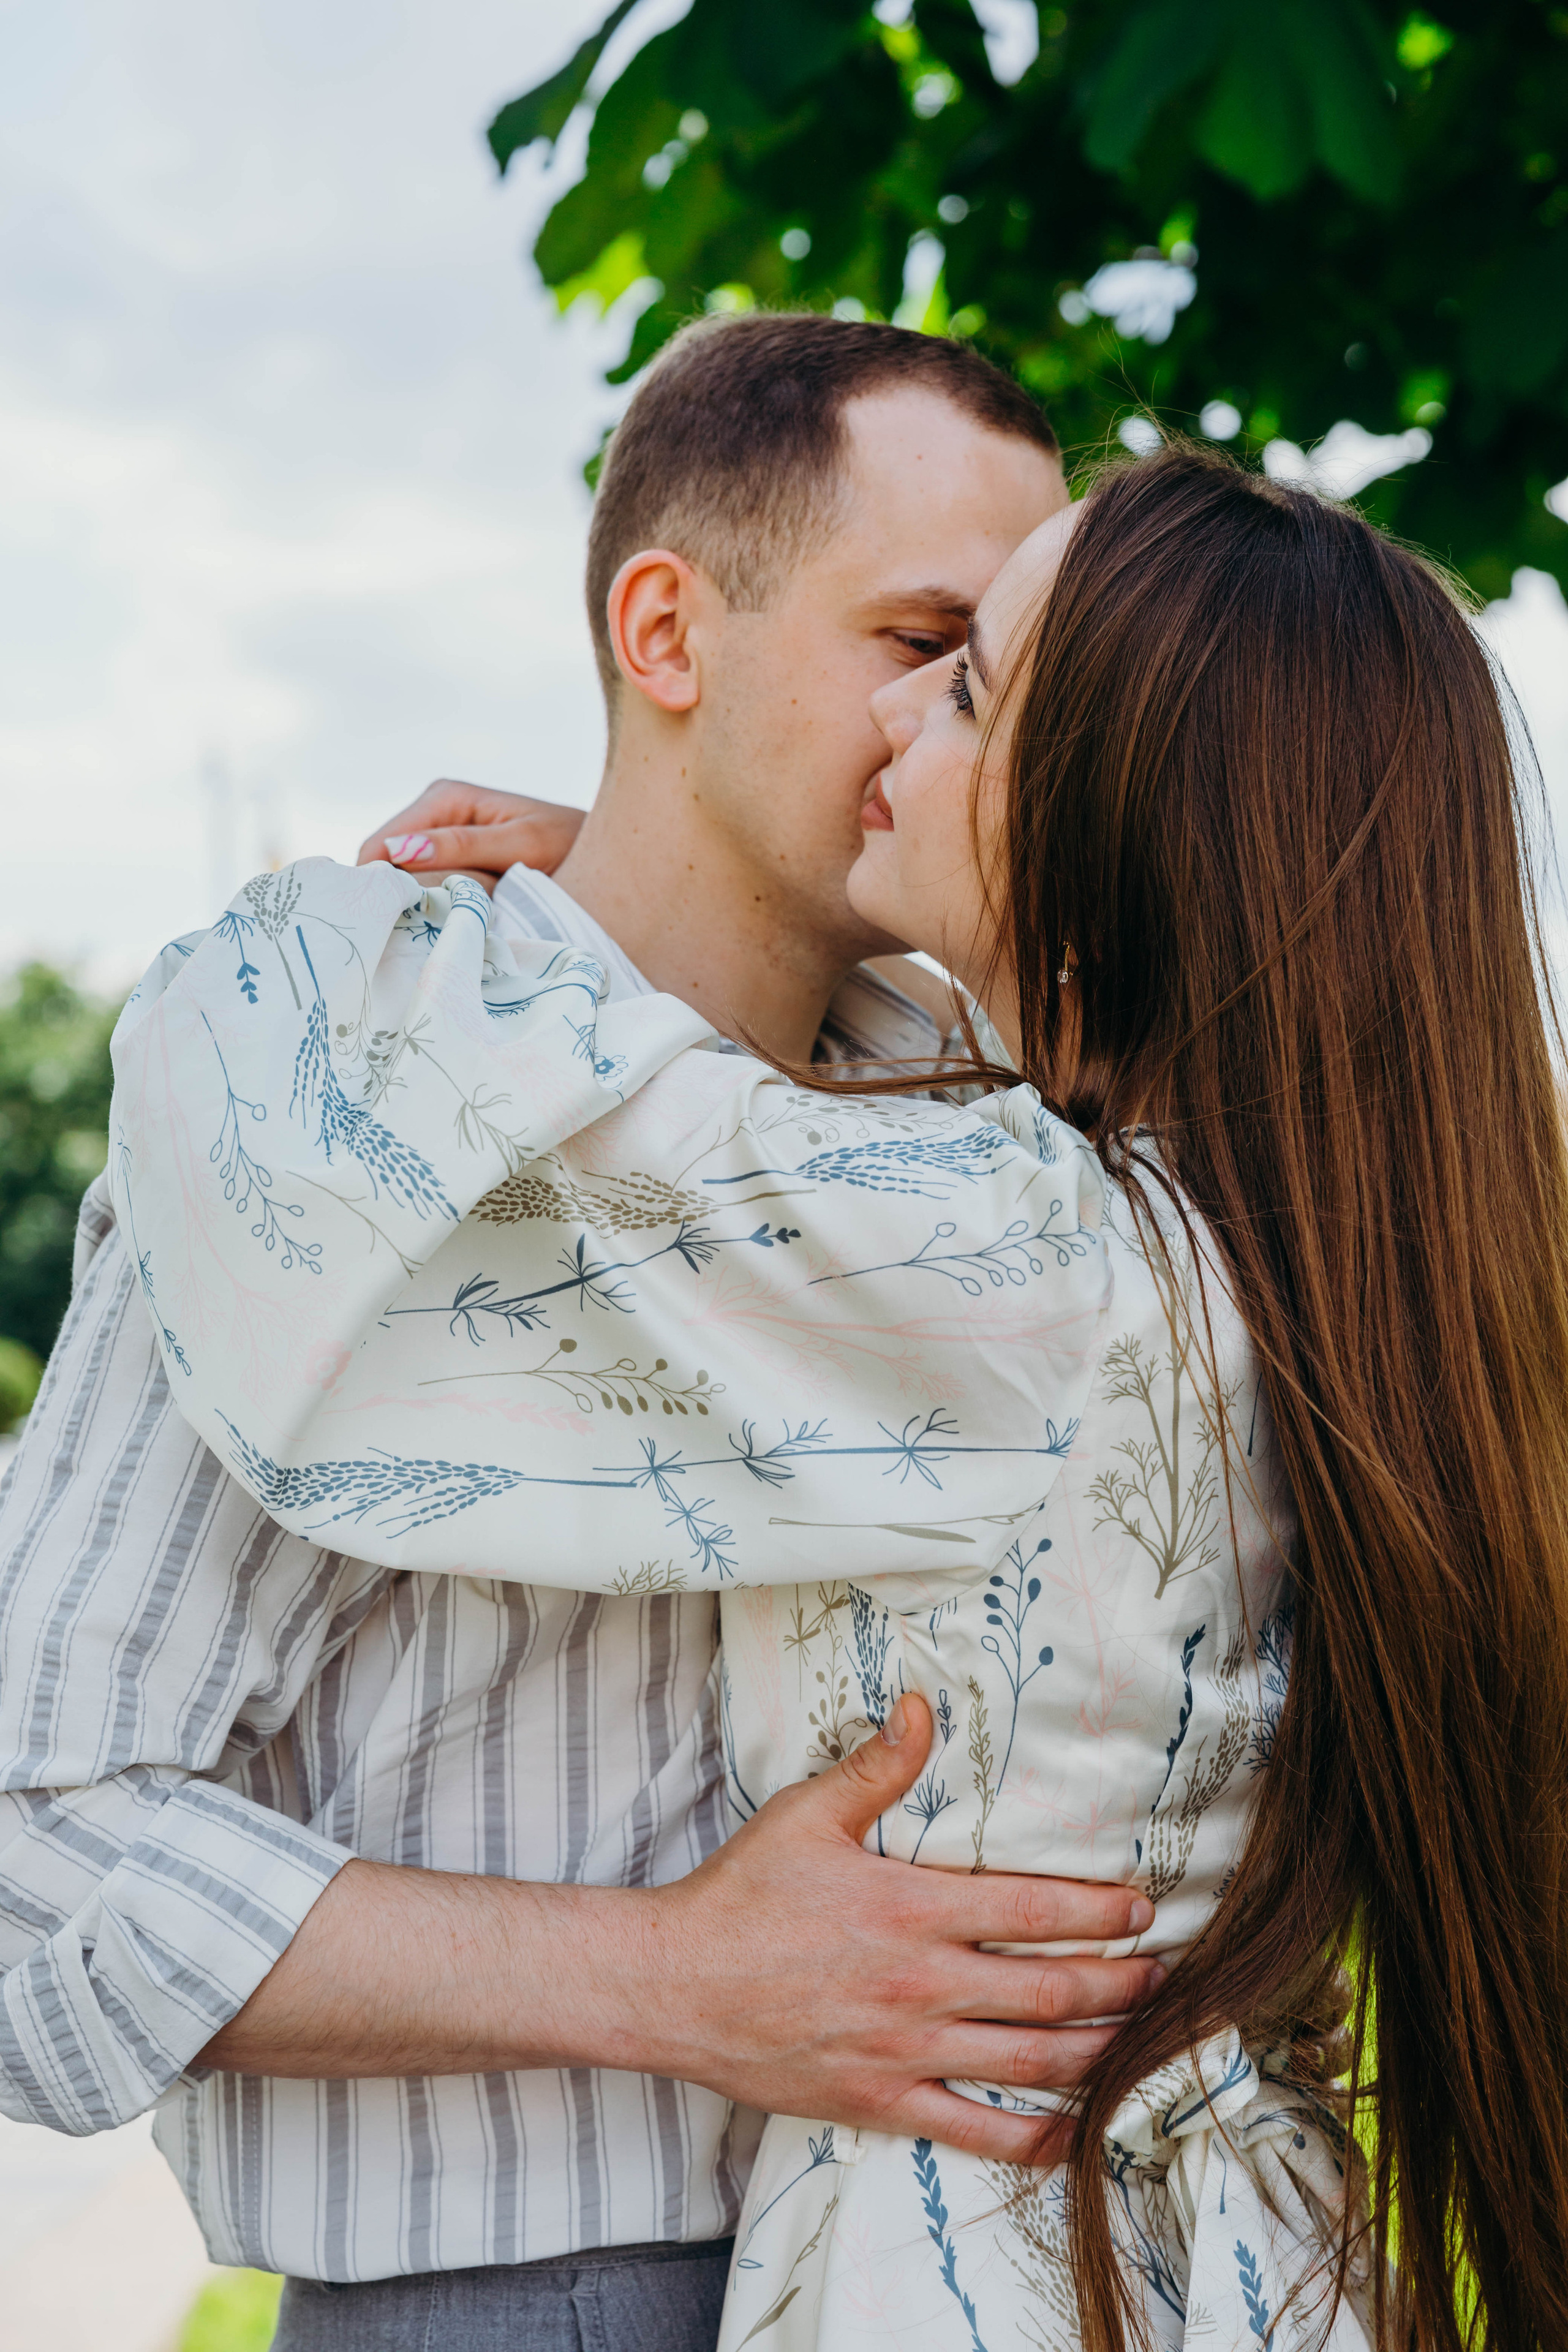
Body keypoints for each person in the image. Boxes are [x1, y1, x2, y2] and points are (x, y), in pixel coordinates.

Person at [115, 441, 1568, 2350]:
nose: (900, 706)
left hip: (984, 2254)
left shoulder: (1022, 1270)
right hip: (1239, 2248)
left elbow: (341, 1144)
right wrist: (638, 873)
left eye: (966, 687)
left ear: (1122, 822)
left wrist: (584, 901)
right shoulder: (1289, 1246)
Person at [0, 314, 1163, 2352]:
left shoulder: (1004, 1135)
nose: (996, 732)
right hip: (508, 2301)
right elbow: (30, 1847)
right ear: (667, 630)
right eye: (923, 642)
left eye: (1012, 678)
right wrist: (674, 1982)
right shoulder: (339, 1111)